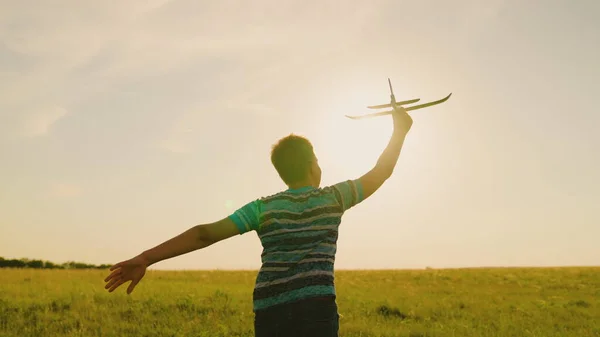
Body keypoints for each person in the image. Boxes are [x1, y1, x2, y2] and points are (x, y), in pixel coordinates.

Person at [104, 103, 413, 337]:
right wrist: (399, 131)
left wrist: (146, 257)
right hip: (315, 310)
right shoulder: (334, 198)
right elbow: (381, 171)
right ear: (311, 165)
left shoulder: (262, 208)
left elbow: (203, 234)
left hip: (270, 310)